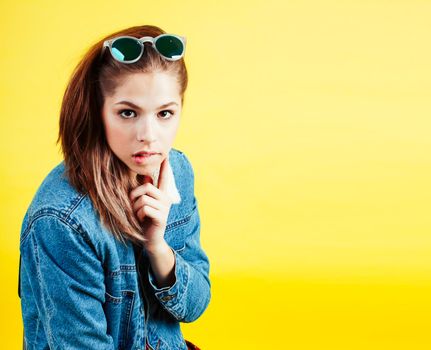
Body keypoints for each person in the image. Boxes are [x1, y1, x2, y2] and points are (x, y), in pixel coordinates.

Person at [18, 24, 210, 350]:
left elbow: (195, 306)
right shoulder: (62, 221)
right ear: (99, 112)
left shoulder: (177, 170)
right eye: (127, 113)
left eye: (165, 113)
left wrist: (158, 247)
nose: (148, 134)